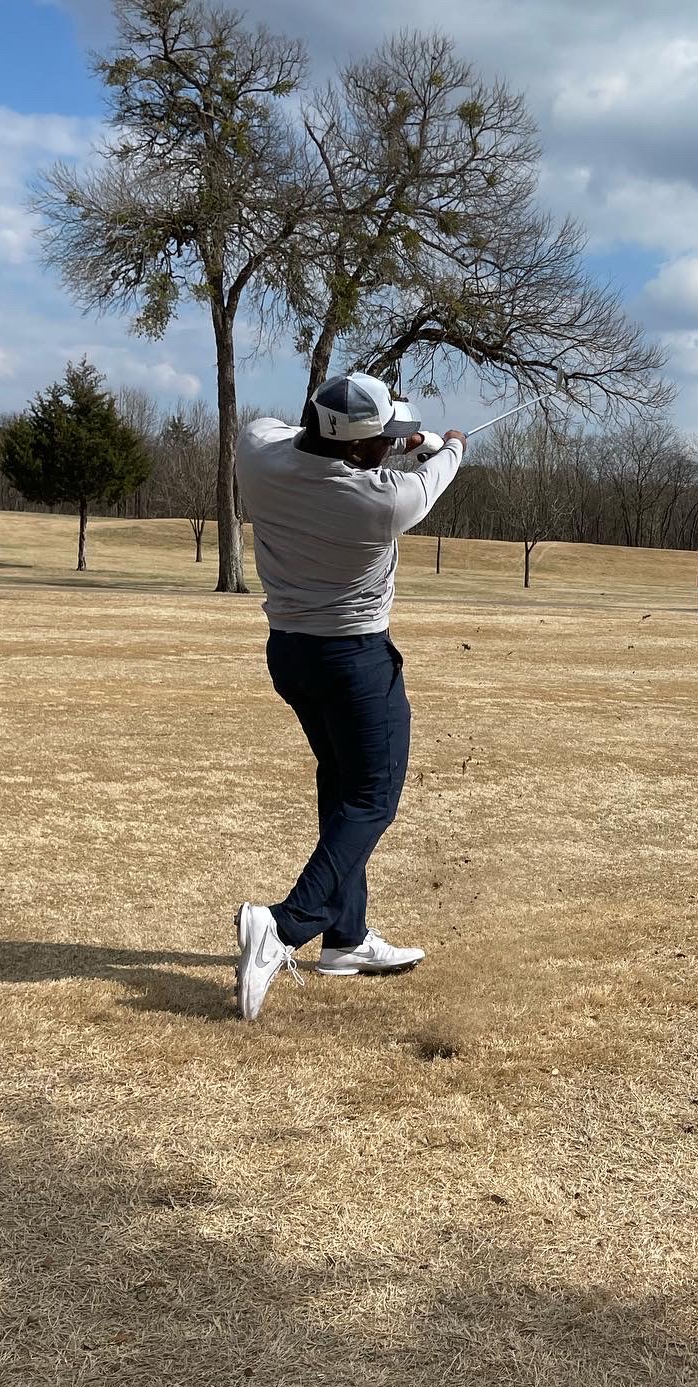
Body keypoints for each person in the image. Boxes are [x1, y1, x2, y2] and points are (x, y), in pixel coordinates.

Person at [231, 370, 467, 1021]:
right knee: (372, 796)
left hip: (290, 653)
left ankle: (347, 937)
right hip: (354, 660)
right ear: (357, 449)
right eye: (380, 441)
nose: (389, 447)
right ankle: (283, 925)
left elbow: (303, 436)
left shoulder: (255, 449)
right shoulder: (382, 503)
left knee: (340, 785)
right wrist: (447, 444)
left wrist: (397, 437)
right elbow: (432, 477)